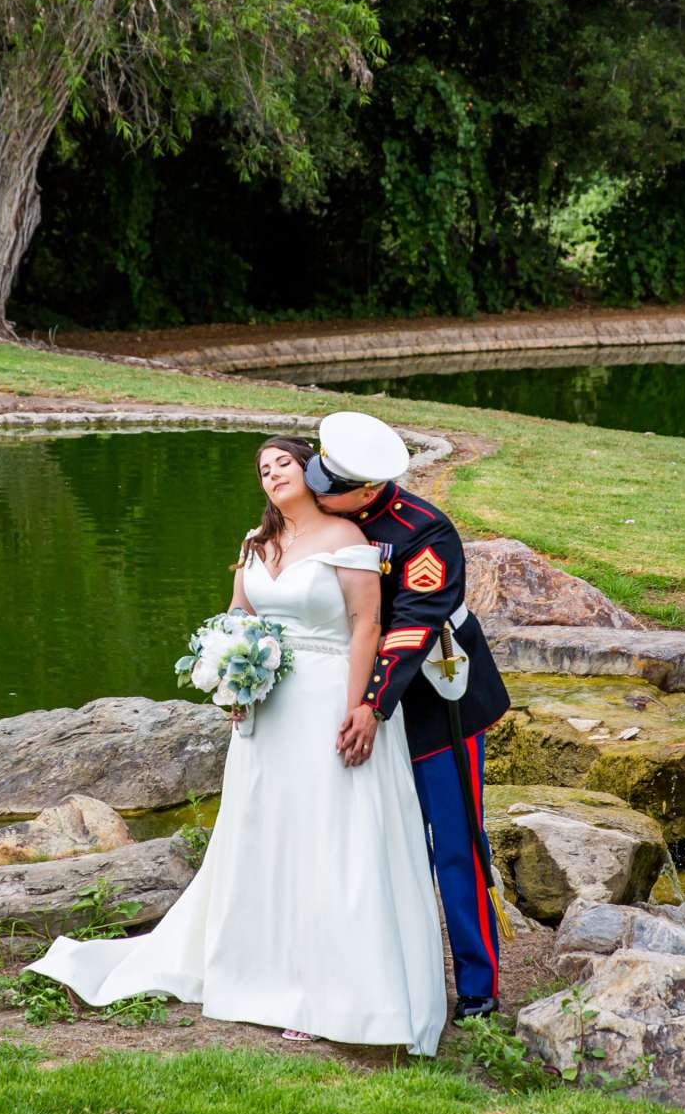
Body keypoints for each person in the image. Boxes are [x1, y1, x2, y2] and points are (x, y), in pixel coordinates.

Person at [27, 436, 447, 1054]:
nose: (272, 473)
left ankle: (331, 987)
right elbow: (235, 618)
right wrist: (230, 679)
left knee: (331, 835)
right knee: (265, 831)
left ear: (310, 471)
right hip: (267, 712)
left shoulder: (347, 542)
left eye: (283, 463)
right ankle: (259, 971)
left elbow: (368, 627)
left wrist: (363, 708)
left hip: (330, 698)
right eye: (262, 469)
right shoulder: (256, 542)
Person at [308, 410, 512, 1022]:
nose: (321, 492)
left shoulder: (425, 532)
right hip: (349, 703)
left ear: (369, 492)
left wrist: (372, 703)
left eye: (333, 487)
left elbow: (411, 629)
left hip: (431, 704)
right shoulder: (321, 514)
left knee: (454, 844)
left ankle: (478, 984)